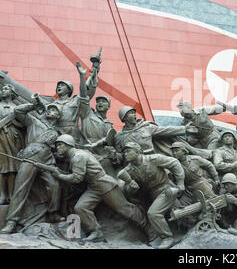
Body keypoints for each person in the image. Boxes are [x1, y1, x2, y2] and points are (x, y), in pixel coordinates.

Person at [51, 135, 152, 243]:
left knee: (126, 209)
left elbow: (77, 178)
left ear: (68, 145)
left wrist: (59, 175)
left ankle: (150, 229)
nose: (57, 148)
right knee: (81, 207)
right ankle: (96, 233)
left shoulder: (78, 156)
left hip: (104, 185)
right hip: (93, 187)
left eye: (60, 145)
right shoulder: (75, 154)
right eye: (57, 145)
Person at [0, 99, 63, 234]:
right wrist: (34, 105)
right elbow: (17, 111)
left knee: (54, 185)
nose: (50, 111)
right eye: (49, 109)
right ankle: (12, 221)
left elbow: (61, 150)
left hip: (48, 159)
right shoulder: (34, 121)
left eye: (54, 110)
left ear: (58, 115)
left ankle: (53, 213)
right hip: (31, 155)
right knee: (21, 187)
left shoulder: (58, 132)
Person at [117, 142, 185, 249]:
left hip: (167, 190)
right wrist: (132, 188)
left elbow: (174, 163)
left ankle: (167, 238)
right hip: (153, 195)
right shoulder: (129, 170)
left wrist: (180, 182)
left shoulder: (154, 159)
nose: (125, 154)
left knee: (154, 213)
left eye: (128, 151)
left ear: (138, 151)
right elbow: (126, 190)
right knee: (182, 217)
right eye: (124, 152)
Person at [113, 106, 195, 156]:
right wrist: (115, 157)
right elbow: (120, 155)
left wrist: (184, 129)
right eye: (131, 113)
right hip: (133, 165)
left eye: (134, 113)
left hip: (152, 159)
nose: (134, 115)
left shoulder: (146, 127)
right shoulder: (119, 136)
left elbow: (166, 130)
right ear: (124, 118)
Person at [53, 61, 98, 143]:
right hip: (56, 132)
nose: (59, 86)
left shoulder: (75, 100)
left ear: (69, 90)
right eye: (58, 86)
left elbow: (86, 94)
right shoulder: (52, 104)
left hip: (72, 133)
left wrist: (82, 76)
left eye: (63, 85)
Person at [79, 95, 117, 177]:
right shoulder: (88, 114)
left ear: (109, 106)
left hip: (102, 155)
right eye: (98, 101)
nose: (100, 103)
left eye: (103, 101)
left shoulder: (109, 125)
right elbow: (84, 96)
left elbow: (110, 140)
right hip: (87, 150)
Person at [0, 84, 24, 204]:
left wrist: (13, 123)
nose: (3, 90)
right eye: (2, 89)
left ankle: (12, 195)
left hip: (14, 137)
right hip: (1, 137)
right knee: (3, 166)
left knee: (13, 167)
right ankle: (2, 195)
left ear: (12, 92)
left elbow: (23, 124)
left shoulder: (17, 107)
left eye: (6, 88)